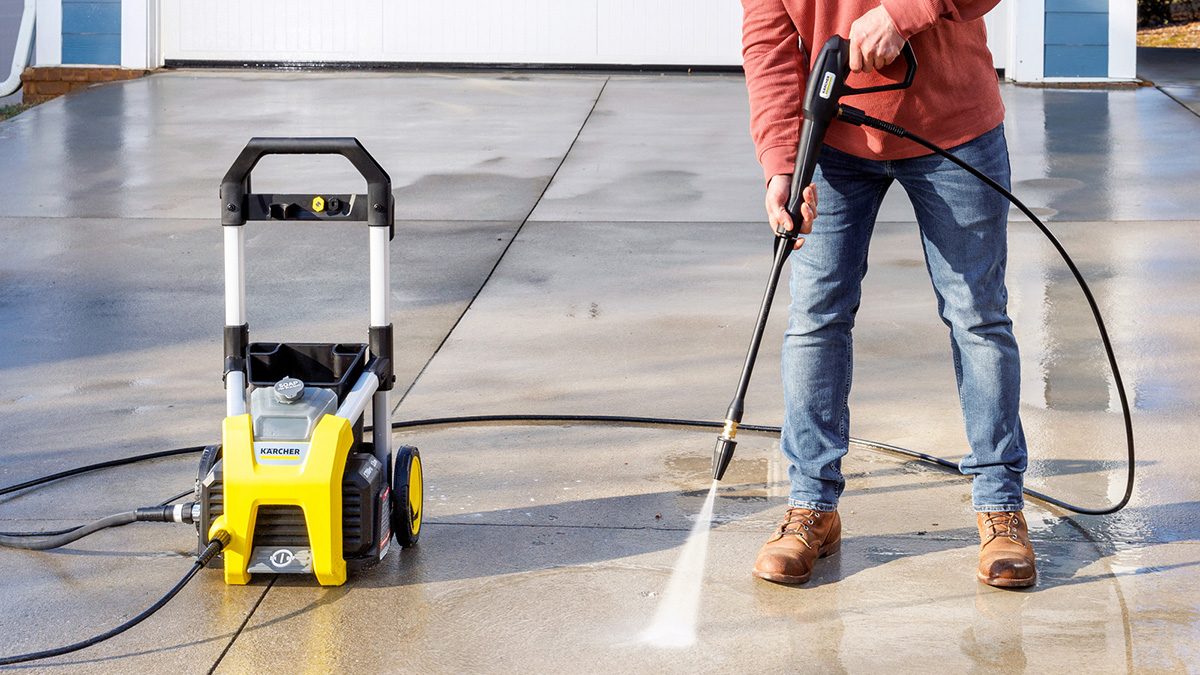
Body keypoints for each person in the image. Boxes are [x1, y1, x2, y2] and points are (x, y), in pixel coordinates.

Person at [741, 0, 1036, 588]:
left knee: (977, 317)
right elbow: (769, 50)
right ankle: (812, 507)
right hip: (831, 140)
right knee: (815, 319)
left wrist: (904, 13)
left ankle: (1001, 506)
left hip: (956, 132)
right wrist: (781, 166)